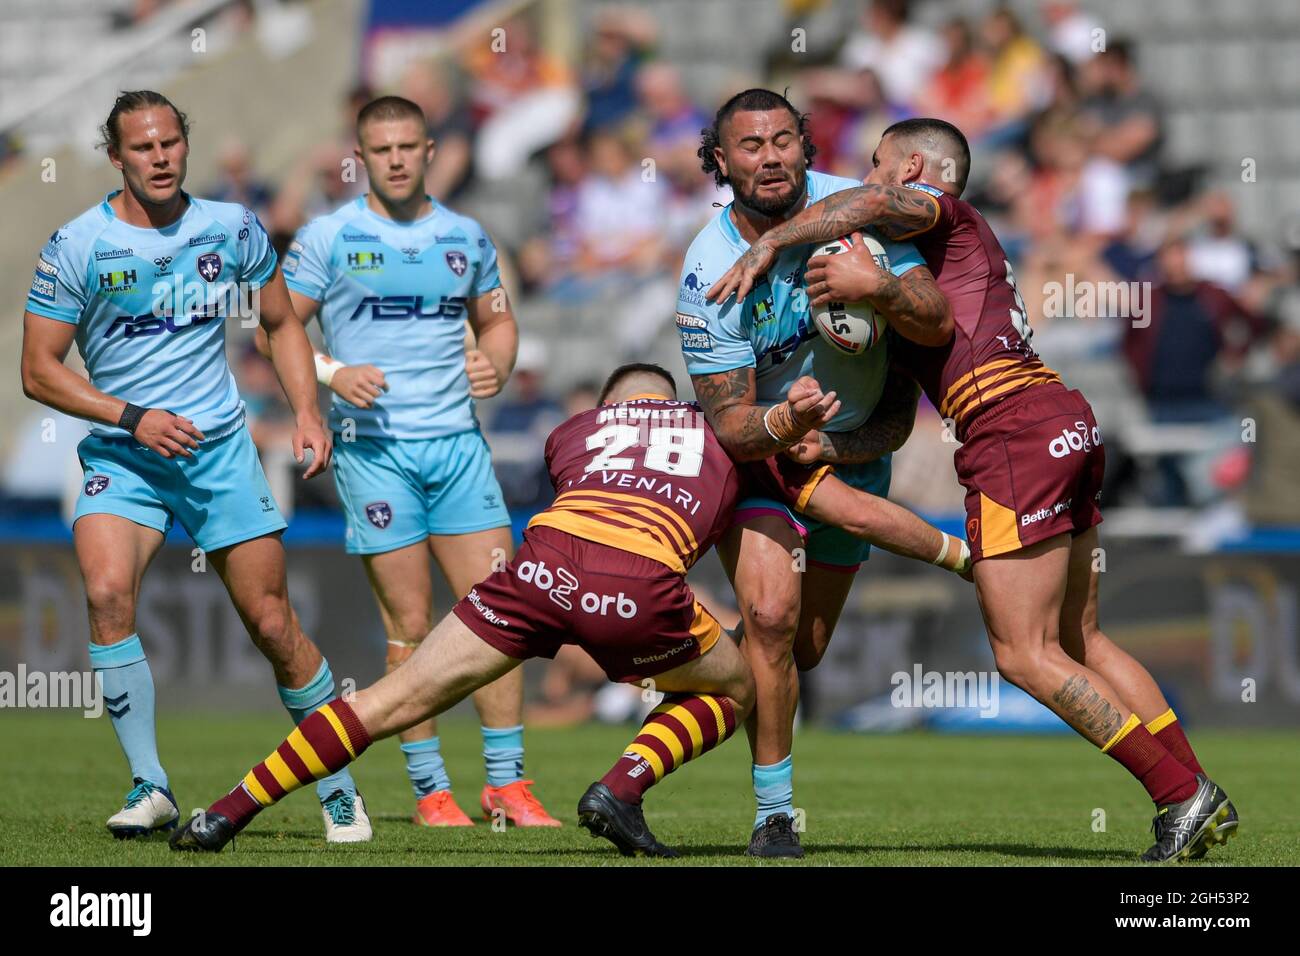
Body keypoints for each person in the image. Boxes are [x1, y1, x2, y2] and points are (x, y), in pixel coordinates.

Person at [169, 363, 972, 858]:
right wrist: (959, 555)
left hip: (538, 572)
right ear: (679, 399)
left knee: (385, 702)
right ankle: (621, 786)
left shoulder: (569, 432)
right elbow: (857, 515)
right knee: (745, 686)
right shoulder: (727, 436)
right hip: (637, 585)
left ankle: (224, 815)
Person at [709, 117, 1238, 862]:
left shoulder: (942, 211)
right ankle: (1196, 793)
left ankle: (1180, 796)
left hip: (1011, 432)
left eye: (878, 165)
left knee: (1023, 655)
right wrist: (831, 441)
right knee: (1080, 638)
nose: (867, 177)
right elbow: (893, 420)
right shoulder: (922, 277)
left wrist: (770, 240)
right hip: (1062, 417)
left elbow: (866, 207)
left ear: (915, 168)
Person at [19, 90, 365, 842]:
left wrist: (309, 411)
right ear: (116, 157)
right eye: (142, 147)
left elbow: (278, 321)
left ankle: (339, 787)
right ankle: (150, 785)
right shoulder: (78, 244)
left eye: (171, 142)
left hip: (216, 452)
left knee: (272, 624)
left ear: (185, 144)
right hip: (125, 452)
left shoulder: (231, 227)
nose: (161, 157)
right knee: (108, 593)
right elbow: (38, 371)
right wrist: (132, 418)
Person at [262, 95, 558, 828]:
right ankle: (431, 793)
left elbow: (497, 317)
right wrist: (332, 377)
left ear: (430, 152)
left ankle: (507, 787)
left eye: (408, 147)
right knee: (411, 626)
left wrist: (496, 357)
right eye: (381, 149)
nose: (395, 159)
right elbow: (280, 329)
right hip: (375, 453)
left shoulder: (465, 236)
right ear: (360, 157)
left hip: (459, 448)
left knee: (501, 615)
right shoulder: (328, 236)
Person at [680, 87, 951, 857]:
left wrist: (884, 287)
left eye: (782, 141)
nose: (769, 158)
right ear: (721, 161)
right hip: (765, 460)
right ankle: (774, 817)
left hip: (858, 451)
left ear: (806, 144)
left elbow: (936, 320)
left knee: (799, 649)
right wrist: (783, 424)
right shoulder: (705, 270)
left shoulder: (865, 209)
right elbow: (730, 426)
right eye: (749, 146)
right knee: (769, 621)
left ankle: (665, 726)